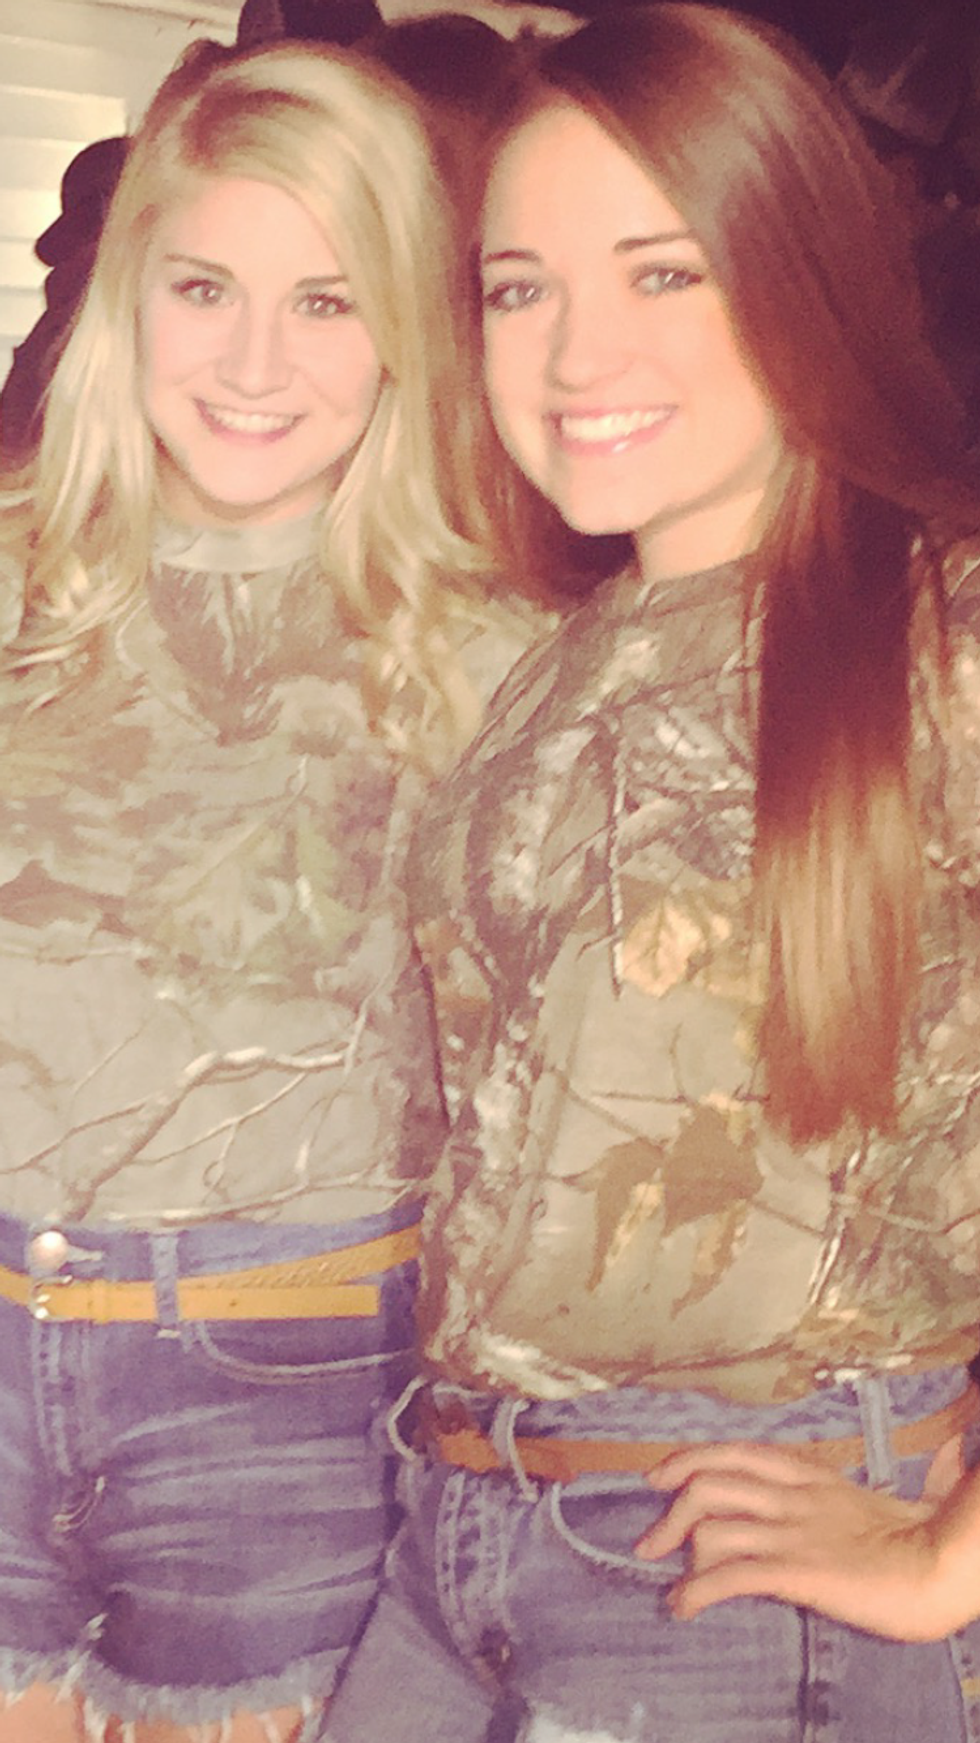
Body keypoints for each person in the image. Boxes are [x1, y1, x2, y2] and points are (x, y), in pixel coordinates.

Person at [318, 7, 980, 1742]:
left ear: (803, 270)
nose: (573, 350)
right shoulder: (559, 650)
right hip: (456, 1527)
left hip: (740, 1555)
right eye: (517, 287)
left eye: (664, 272)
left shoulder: (942, 629)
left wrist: (949, 1558)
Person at [0, 35, 532, 1743]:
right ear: (129, 298)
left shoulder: (507, 656)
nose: (251, 362)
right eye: (206, 288)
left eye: (325, 301)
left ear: (406, 331)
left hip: (288, 1384)